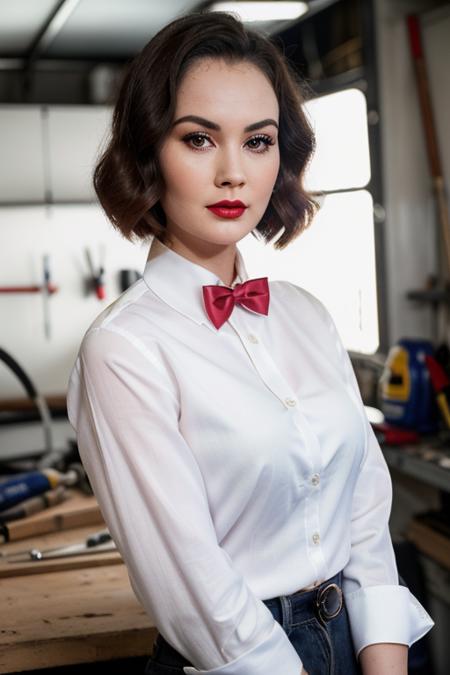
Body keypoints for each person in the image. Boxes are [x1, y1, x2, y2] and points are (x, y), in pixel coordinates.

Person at [66, 10, 435, 675]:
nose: (234, 172)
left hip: (357, 644)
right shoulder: (123, 348)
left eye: (258, 141)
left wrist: (385, 663)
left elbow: (363, 515)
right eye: (199, 139)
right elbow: (193, 585)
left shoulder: (307, 316)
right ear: (149, 149)